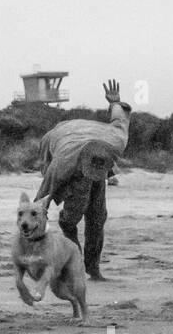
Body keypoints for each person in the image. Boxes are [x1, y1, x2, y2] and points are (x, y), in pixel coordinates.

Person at [34, 79, 131, 281]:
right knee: (70, 221)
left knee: (97, 219)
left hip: (98, 160)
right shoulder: (64, 162)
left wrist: (114, 102)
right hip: (76, 171)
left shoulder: (115, 141)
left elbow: (119, 121)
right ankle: (76, 265)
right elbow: (46, 189)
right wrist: (40, 209)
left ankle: (93, 269)